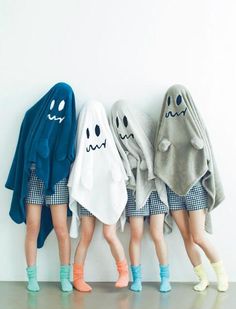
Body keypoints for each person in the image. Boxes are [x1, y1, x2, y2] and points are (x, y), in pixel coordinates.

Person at [154, 84, 228, 292]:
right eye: (170, 102)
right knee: (187, 236)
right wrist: (163, 147)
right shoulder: (164, 128)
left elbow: (206, 155)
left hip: (195, 188)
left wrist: (197, 145)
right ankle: (202, 277)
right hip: (173, 189)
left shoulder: (195, 124)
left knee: (198, 236)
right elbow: (158, 157)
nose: (174, 107)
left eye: (177, 101)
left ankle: (221, 274)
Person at [5, 83, 77, 292]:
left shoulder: (69, 125)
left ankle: (65, 276)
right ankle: (32, 277)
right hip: (35, 177)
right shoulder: (35, 118)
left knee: (61, 228)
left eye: (64, 104)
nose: (58, 109)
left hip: (57, 180)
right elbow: (26, 148)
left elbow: (68, 152)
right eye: (55, 102)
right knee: (32, 226)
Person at [110, 100, 171, 293]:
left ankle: (165, 278)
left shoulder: (149, 130)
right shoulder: (119, 145)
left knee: (156, 234)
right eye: (117, 122)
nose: (122, 128)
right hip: (134, 190)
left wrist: (146, 163)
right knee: (135, 233)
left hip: (155, 189)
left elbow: (160, 156)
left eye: (125, 120)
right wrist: (131, 166)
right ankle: (137, 278)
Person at [68, 100, 129, 291]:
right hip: (88, 195)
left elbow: (115, 164)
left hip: (108, 194)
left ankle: (124, 272)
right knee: (86, 235)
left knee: (109, 234)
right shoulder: (82, 145)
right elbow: (78, 164)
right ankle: (77, 277)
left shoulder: (108, 142)